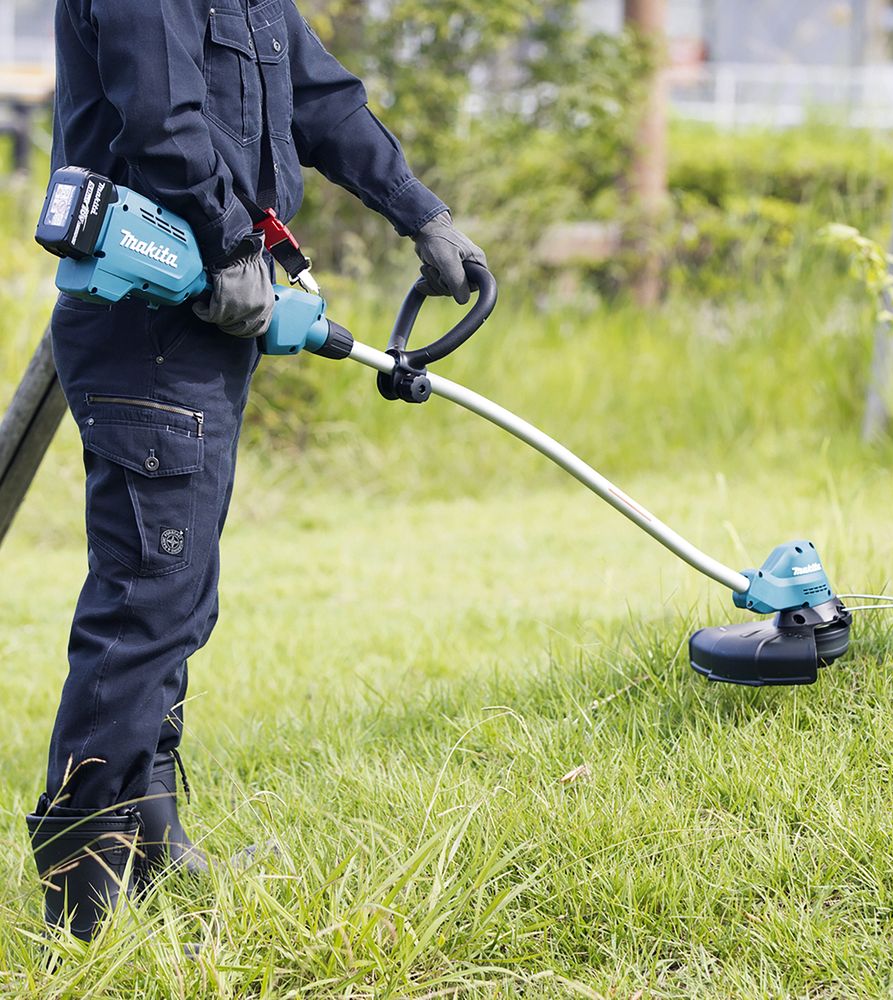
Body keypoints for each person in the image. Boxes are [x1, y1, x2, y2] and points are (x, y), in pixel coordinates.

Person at [27, 0, 487, 942]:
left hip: (205, 328)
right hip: (148, 322)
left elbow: (321, 101)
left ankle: (149, 840)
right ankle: (82, 883)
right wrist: (231, 238)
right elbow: (161, 114)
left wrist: (420, 212)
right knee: (145, 601)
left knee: (180, 597)